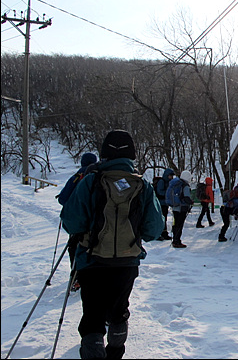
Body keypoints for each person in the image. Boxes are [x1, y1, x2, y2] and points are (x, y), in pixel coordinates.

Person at [60, 129, 164, 359]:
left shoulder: (91, 181)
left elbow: (71, 222)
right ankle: (115, 353)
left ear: (104, 153)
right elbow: (154, 229)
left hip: (92, 260)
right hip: (127, 262)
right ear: (132, 155)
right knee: (118, 312)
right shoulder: (142, 186)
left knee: (93, 317)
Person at [57, 152, 98, 291]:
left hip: (78, 221)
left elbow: (63, 198)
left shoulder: (78, 176)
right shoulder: (100, 175)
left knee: (75, 248)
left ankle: (76, 277)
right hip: (97, 222)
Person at [168, 170, 194, 248]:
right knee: (180, 225)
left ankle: (175, 240)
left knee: (176, 224)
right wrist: (191, 202)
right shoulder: (185, 186)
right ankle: (177, 241)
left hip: (175, 207)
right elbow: (186, 197)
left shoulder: (177, 184)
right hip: (182, 208)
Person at [156, 168, 175, 240]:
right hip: (160, 203)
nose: (171, 177)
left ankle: (164, 233)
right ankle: (158, 234)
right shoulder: (162, 181)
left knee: (164, 218)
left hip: (165, 203)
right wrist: (168, 194)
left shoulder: (169, 182)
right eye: (170, 176)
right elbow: (159, 192)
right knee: (160, 219)